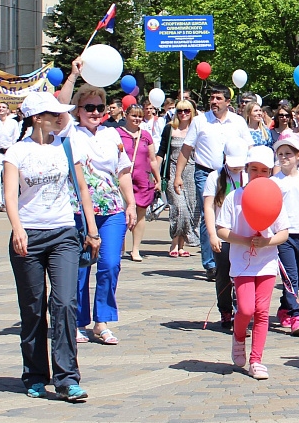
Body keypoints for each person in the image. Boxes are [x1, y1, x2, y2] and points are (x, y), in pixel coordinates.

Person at [4, 92, 97, 403]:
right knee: (32, 309)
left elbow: (82, 187)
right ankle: (34, 373)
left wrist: (92, 229)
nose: (60, 117)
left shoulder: (66, 145)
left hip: (63, 234)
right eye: (52, 114)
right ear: (36, 118)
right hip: (28, 235)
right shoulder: (17, 152)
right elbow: (10, 195)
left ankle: (67, 378)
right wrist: (18, 229)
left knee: (65, 302)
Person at [61, 83, 136, 346]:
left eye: (99, 108)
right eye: (89, 108)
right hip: (79, 209)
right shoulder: (70, 132)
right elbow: (60, 106)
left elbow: (123, 171)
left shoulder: (112, 135)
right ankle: (78, 321)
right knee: (81, 266)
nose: (94, 113)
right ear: (78, 110)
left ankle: (101, 321)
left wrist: (131, 204)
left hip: (112, 207)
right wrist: (73, 75)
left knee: (110, 264)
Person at [215, 145, 286, 380]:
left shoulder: (275, 197)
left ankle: (256, 360)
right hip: (241, 262)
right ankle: (238, 336)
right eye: (253, 169)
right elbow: (221, 230)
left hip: (266, 262)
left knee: (262, 311)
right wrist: (244, 241)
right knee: (245, 308)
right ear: (245, 170)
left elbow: (283, 233)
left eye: (264, 170)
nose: (258, 174)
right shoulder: (234, 197)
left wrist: (267, 242)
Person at [174, 84, 250, 281]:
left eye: (218, 98)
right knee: (210, 211)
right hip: (206, 173)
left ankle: (231, 256)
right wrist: (178, 175)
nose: (214, 102)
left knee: (232, 212)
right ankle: (210, 263)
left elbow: (249, 147)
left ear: (227, 101)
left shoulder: (238, 122)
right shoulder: (200, 121)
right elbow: (186, 148)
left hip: (233, 173)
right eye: (212, 98)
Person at [203, 139, 252, 331]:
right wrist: (212, 235)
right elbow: (208, 207)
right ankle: (225, 310)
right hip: (223, 234)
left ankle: (242, 310)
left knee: (243, 274)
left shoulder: (249, 176)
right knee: (223, 275)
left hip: (244, 233)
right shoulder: (214, 177)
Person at [272, 135, 299, 336]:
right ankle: (296, 314)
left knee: (297, 276)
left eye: (288, 154)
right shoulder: (274, 181)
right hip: (284, 234)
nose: (284, 158)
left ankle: (284, 307)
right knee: (290, 275)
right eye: (280, 154)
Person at [117, 103, 160, 262]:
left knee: (140, 215)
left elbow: (152, 159)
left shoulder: (146, 135)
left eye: (140, 116)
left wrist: (158, 178)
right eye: (134, 115)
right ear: (126, 115)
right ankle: (120, 247)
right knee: (121, 214)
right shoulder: (117, 133)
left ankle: (135, 249)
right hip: (122, 179)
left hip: (142, 179)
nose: (137, 119)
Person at [159, 100, 197, 257]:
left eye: (187, 111)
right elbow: (161, 152)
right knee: (179, 208)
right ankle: (174, 242)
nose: (183, 114)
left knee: (190, 210)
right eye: (180, 111)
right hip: (173, 173)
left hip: (192, 173)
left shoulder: (196, 128)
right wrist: (156, 176)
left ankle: (181, 245)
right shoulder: (170, 128)